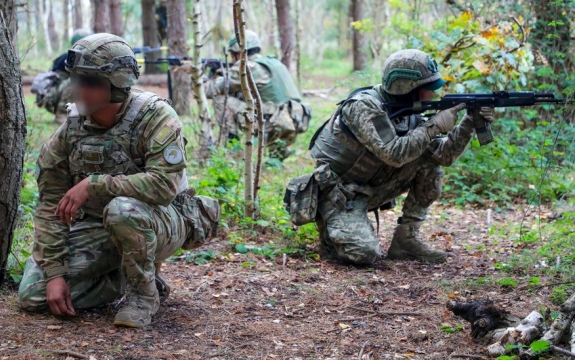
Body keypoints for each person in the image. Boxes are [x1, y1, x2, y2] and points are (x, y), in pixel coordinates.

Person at [18, 33, 220, 328]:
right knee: (34, 296)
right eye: (75, 79)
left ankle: (143, 295)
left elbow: (163, 186)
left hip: (162, 221)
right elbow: (51, 203)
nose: (77, 89)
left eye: (89, 82)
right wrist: (55, 274)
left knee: (122, 210)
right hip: (98, 227)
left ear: (116, 85)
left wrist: (94, 184)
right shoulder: (72, 129)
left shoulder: (155, 117)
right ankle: (129, 276)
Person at [285, 49, 495, 265]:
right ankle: (331, 229)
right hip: (340, 195)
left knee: (427, 161)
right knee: (365, 255)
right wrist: (434, 126)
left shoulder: (409, 111)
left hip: (372, 187)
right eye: (427, 89)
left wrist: (470, 121)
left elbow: (443, 155)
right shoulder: (363, 106)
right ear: (406, 88)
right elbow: (393, 153)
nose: (432, 94)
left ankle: (406, 239)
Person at [205, 30, 311, 160]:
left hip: (271, 123)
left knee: (221, 99)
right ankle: (278, 154)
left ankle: (232, 148)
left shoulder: (247, 66)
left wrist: (203, 76)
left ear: (237, 53)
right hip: (293, 122)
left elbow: (210, 90)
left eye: (232, 55)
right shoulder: (274, 63)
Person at [31, 28, 93, 124]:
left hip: (57, 94)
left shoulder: (85, 57)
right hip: (51, 98)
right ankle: (62, 115)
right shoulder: (70, 57)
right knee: (78, 81)